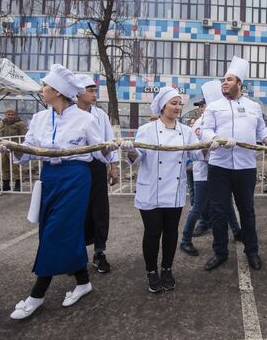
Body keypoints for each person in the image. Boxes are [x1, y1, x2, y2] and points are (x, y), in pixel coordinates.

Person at [0, 64, 117, 320]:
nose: (42, 91)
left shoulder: (86, 119)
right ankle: (83, 282)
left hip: (76, 178)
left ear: (59, 92)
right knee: (53, 231)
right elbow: (27, 151)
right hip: (49, 177)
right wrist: (11, 149)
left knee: (56, 232)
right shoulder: (40, 119)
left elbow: (98, 152)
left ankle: (36, 295)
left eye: (45, 87)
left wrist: (112, 149)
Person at [201, 56, 267, 271]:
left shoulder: (253, 107)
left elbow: (261, 131)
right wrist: (216, 139)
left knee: (247, 211)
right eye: (223, 80)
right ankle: (220, 252)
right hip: (219, 166)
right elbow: (206, 130)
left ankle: (252, 251)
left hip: (246, 167)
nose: (224, 83)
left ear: (240, 83)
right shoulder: (214, 107)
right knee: (218, 212)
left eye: (229, 79)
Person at [121, 87, 204, 293]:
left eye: (179, 103)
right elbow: (137, 159)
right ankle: (151, 271)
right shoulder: (146, 130)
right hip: (150, 191)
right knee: (152, 233)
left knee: (170, 233)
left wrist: (213, 146)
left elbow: (196, 155)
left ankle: (167, 269)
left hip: (174, 191)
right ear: (162, 106)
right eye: (173, 103)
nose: (178, 107)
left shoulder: (186, 132)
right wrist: (130, 150)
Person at [180, 80, 241, 256]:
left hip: (221, 170)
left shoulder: (226, 117)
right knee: (198, 206)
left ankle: (237, 231)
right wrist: (210, 146)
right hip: (204, 171)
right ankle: (185, 240)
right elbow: (197, 148)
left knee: (227, 203)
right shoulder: (200, 123)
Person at [76, 74, 118, 274]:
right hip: (76, 168)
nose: (94, 94)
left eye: (95, 90)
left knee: (100, 209)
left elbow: (109, 139)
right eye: (90, 90)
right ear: (77, 92)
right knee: (78, 210)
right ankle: (76, 254)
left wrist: (114, 166)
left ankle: (100, 252)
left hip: (97, 166)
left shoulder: (100, 114)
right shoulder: (68, 113)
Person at [0, 108, 27, 191]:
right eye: (8, 114)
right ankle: (6, 185)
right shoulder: (2, 123)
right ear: (5, 115)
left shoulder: (20, 124)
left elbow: (23, 136)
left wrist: (21, 147)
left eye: (12, 114)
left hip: (15, 149)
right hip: (4, 148)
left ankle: (17, 185)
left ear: (15, 115)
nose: (10, 116)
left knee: (16, 167)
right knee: (4, 166)